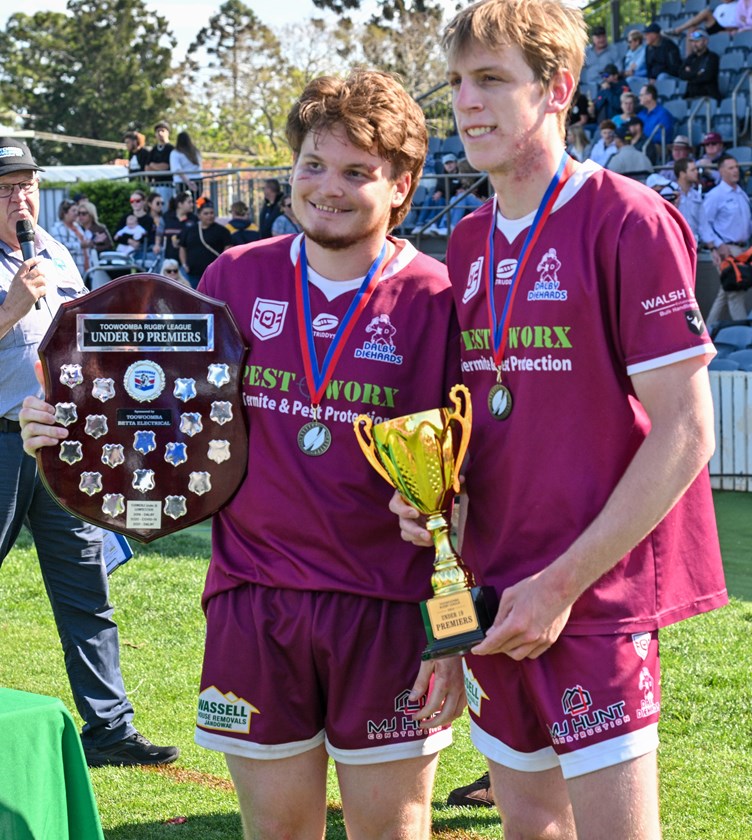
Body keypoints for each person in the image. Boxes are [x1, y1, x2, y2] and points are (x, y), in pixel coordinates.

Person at [22, 71, 466, 839]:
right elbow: (163, 416)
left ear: (401, 185)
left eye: (357, 172)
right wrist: (69, 423)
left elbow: (465, 481)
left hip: (388, 616)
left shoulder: (437, 297)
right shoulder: (236, 276)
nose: (328, 188)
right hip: (255, 604)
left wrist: (455, 636)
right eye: (313, 166)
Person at [392, 3, 727, 837]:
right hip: (497, 591)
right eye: (460, 83)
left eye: (494, 80)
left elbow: (687, 432)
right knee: (529, 824)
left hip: (595, 596)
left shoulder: (630, 220)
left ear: (557, 90)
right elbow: (480, 432)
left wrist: (563, 584)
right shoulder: (467, 241)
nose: (467, 104)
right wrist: (437, 522)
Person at [0, 136, 178, 768]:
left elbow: (82, 336)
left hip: (60, 445)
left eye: (27, 185)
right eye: (5, 188)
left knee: (84, 585)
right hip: (0, 440)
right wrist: (11, 306)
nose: (19, 197)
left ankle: (110, 729)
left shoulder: (55, 251)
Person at [700, 154, 752, 326]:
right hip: (728, 250)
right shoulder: (716, 195)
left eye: (736, 167)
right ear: (721, 171)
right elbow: (704, 223)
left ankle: (707, 333)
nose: (735, 170)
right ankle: (747, 338)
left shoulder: (740, 192)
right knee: (735, 292)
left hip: (743, 250)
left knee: (726, 292)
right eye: (730, 168)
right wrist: (717, 245)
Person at [177, 200, 231, 288]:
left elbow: (228, 248)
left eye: (211, 213)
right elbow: (182, 247)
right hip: (193, 274)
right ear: (199, 215)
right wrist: (184, 264)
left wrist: (220, 266)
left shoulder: (222, 231)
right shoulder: (190, 230)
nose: (209, 216)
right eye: (206, 213)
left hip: (214, 274)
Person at [411, 152, 463, 234]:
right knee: (430, 199)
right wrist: (438, 192)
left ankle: (432, 224)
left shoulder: (461, 175)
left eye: (451, 162)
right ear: (444, 165)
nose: (449, 165)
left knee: (441, 201)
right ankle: (419, 225)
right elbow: (439, 188)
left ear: (456, 163)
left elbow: (453, 190)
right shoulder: (441, 176)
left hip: (451, 202)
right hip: (443, 199)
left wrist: (441, 192)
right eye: (446, 163)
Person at [75, 200, 114, 290]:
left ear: (91, 214)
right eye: (79, 213)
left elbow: (109, 246)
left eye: (84, 213)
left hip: (96, 266)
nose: (80, 216)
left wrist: (93, 245)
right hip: (79, 264)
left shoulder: (99, 229)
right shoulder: (76, 229)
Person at [667, 0, 752, 37]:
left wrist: (729, 30)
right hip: (715, 28)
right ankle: (689, 60)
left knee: (706, 13)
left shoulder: (738, 5)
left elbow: (741, 23)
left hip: (727, 30)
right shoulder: (719, 7)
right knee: (692, 31)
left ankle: (678, 30)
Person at [679, 31, 721, 101]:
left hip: (707, 96)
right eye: (692, 41)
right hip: (690, 96)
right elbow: (681, 74)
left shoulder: (712, 57)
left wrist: (690, 74)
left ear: (705, 41)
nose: (694, 44)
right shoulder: (691, 58)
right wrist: (697, 73)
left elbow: (707, 76)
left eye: (697, 41)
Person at [52, 198, 90, 276]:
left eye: (77, 211)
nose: (77, 213)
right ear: (64, 213)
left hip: (85, 269)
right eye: (73, 211)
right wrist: (80, 245)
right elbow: (59, 248)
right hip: (70, 272)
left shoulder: (78, 226)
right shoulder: (57, 228)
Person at [581, 24, 621, 89]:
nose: (602, 39)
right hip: (588, 85)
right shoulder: (587, 51)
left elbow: (619, 69)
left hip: (608, 84)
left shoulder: (613, 50)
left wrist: (606, 76)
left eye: (603, 36)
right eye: (599, 37)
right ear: (593, 38)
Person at [674, 158, 704, 241]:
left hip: (694, 243)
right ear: (682, 174)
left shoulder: (696, 195)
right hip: (676, 241)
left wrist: (712, 246)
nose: (696, 172)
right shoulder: (670, 193)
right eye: (693, 170)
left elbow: (703, 223)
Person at [162, 190, 196, 262]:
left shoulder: (194, 219)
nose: (192, 204)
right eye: (189, 202)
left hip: (188, 261)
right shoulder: (166, 217)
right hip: (170, 261)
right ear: (180, 204)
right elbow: (159, 234)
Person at [145, 120, 174, 202]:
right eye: (158, 131)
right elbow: (147, 168)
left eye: (162, 131)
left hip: (168, 185)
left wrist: (153, 165)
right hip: (155, 185)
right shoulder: (153, 149)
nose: (160, 133)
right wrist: (156, 168)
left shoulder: (171, 148)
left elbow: (166, 166)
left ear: (168, 133)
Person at [169, 130, 203, 196]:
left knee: (183, 203)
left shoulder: (175, 153)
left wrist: (188, 182)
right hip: (197, 181)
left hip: (182, 182)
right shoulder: (196, 152)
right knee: (196, 201)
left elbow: (177, 170)